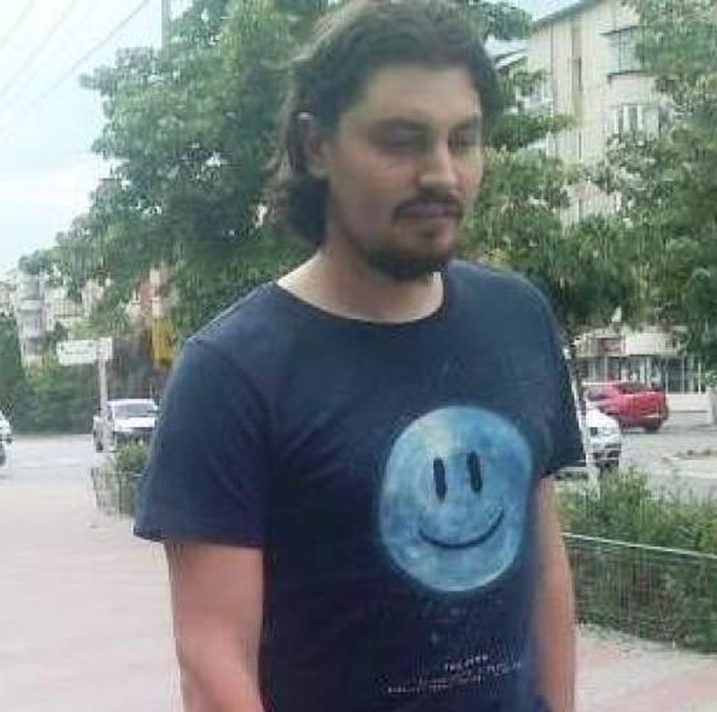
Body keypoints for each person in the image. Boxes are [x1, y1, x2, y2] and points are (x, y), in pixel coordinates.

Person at [133, 2, 585, 711]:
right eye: (402, 141)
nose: (442, 173)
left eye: (463, 140)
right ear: (316, 146)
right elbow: (213, 661)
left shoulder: (518, 318)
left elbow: (546, 569)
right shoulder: (231, 374)